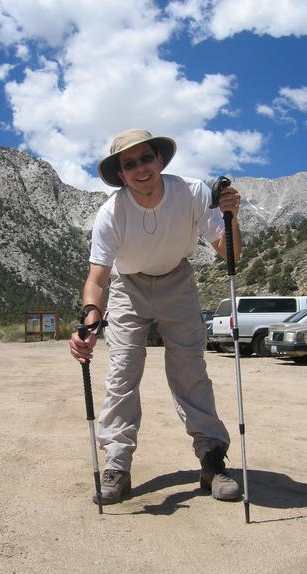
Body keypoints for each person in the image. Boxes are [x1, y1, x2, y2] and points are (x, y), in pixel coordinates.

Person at [70, 128, 242, 505]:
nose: (140, 168)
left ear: (160, 160)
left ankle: (212, 459)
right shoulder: (111, 213)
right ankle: (117, 464)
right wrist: (89, 324)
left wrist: (230, 217)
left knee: (190, 370)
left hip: (178, 280)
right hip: (127, 286)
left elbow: (229, 251)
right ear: (121, 174)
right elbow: (97, 278)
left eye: (146, 158)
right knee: (122, 371)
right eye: (129, 164)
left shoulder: (192, 192)